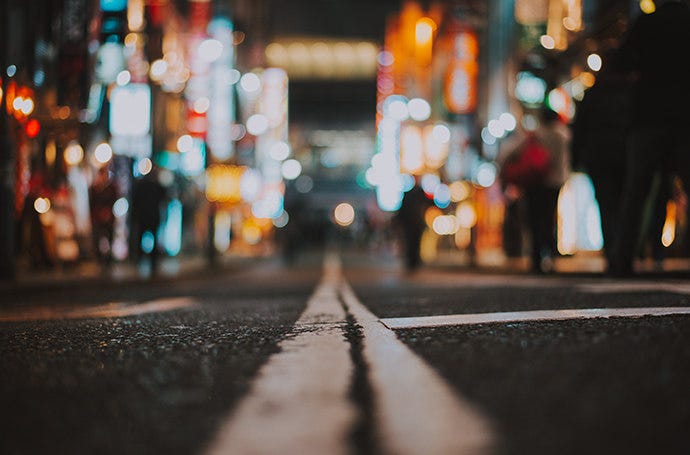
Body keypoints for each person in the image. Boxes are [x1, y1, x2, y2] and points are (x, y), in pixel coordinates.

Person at [610, 0, 690, 276]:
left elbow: (620, 62)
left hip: (649, 114)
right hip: (684, 115)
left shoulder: (647, 22)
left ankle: (622, 261)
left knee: (636, 190)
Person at [570, 49, 632, 266]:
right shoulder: (629, 93)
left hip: (598, 156)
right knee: (624, 201)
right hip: (624, 153)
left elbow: (580, 129)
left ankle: (612, 251)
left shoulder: (593, 94)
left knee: (605, 203)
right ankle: (625, 251)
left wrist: (576, 158)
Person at [131, 167, 168, 274]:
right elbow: (164, 197)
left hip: (144, 216)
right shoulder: (155, 186)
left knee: (141, 238)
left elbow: (135, 202)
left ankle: (140, 260)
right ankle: (152, 263)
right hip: (152, 216)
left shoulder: (141, 185)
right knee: (152, 239)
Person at [394, 178, 432, 271]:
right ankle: (412, 262)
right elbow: (402, 210)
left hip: (414, 223)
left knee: (413, 242)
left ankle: (413, 262)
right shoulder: (413, 193)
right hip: (412, 223)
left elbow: (429, 203)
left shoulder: (418, 193)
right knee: (412, 243)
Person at [89, 166, 118, 265]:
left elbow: (114, 200)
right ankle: (99, 259)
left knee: (109, 237)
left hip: (108, 217)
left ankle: (108, 259)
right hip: (98, 218)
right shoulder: (94, 188)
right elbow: (92, 204)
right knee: (97, 238)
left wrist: (107, 212)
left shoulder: (111, 188)